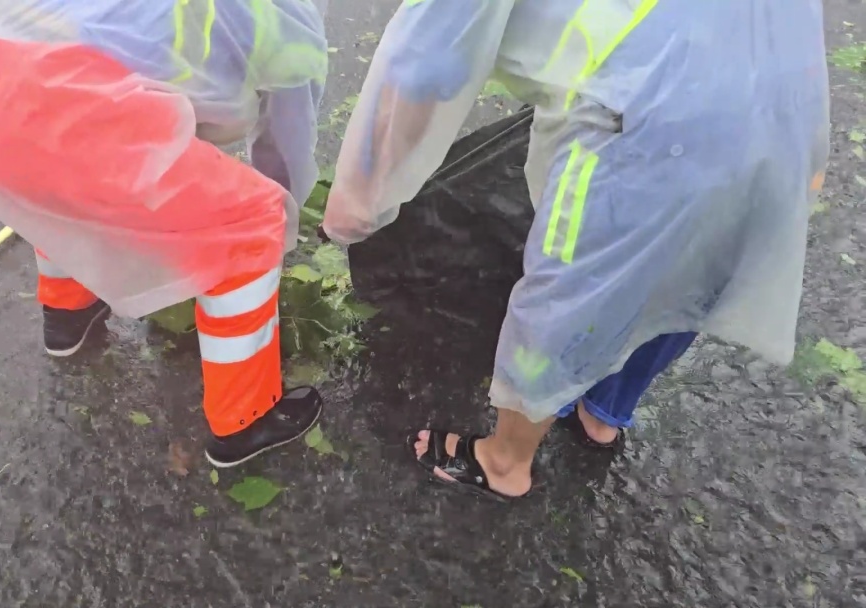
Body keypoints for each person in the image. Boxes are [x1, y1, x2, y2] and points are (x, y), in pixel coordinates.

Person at [323, 0, 830, 499]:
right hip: (782, 105)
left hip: (642, 116)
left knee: (571, 289)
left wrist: (357, 208)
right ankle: (603, 412)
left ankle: (505, 462)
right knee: (695, 260)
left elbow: (422, 65)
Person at [0, 0, 331, 467]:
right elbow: (280, 140)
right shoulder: (275, 13)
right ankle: (246, 418)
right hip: (48, 104)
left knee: (63, 189)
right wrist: (281, 209)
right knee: (250, 221)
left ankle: (66, 316)